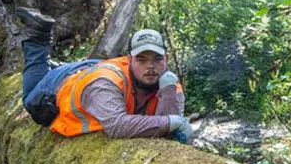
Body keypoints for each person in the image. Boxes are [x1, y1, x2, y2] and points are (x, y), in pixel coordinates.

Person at [17, 7, 194, 142]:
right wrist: (173, 122)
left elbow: (168, 135)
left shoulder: (170, 84)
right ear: (129, 59)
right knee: (31, 100)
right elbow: (117, 126)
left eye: (157, 59)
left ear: (166, 59)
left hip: (94, 69)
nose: (151, 66)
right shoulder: (105, 82)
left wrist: (169, 95)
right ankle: (38, 36)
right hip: (58, 85)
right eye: (142, 59)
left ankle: (58, 64)